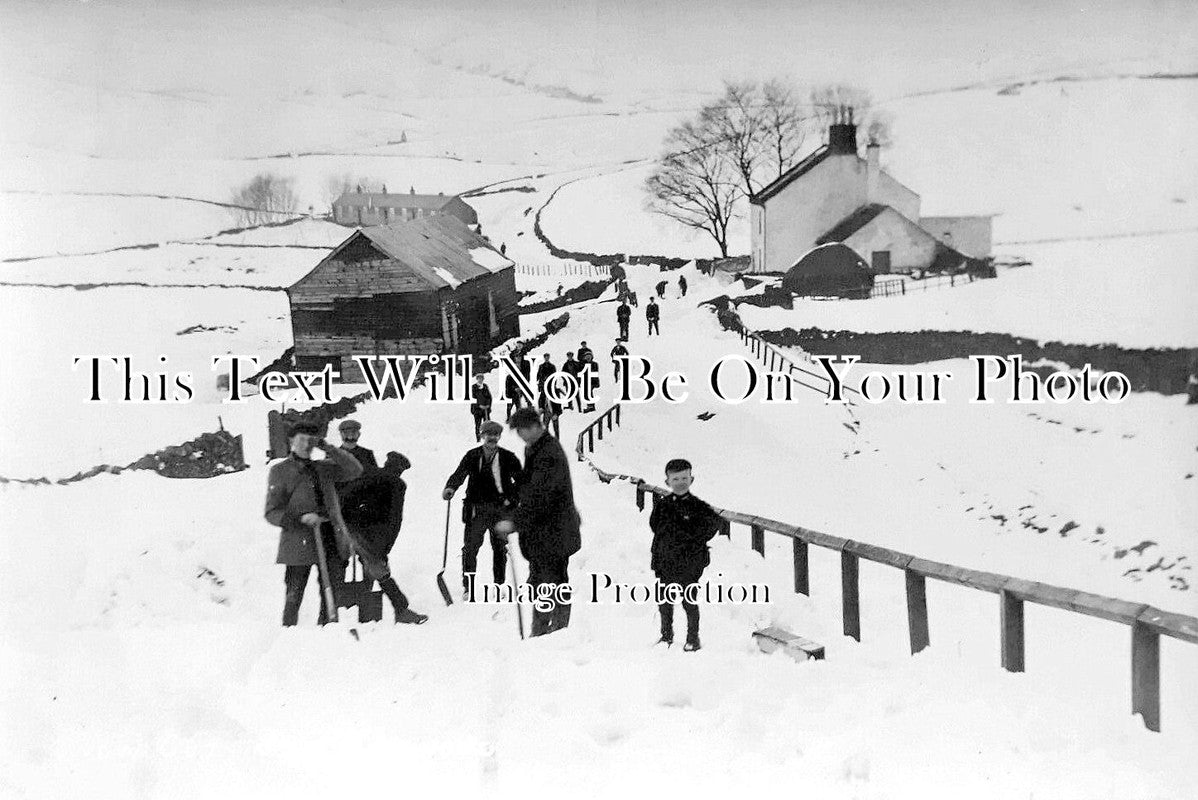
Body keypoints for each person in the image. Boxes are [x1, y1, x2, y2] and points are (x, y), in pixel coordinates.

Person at [265, 421, 363, 627]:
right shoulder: (280, 471)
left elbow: (355, 469)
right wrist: (300, 519)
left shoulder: (325, 468)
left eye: (310, 440)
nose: (306, 445)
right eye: (301, 439)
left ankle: (326, 633)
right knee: (294, 595)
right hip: (298, 540)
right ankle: (288, 636)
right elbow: (272, 512)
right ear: (291, 441)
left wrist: (327, 447)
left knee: (332, 592)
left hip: (330, 538)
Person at [496, 408, 581, 637]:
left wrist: (513, 523)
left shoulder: (548, 453)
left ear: (535, 426)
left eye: (522, 430)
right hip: (549, 532)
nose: (521, 436)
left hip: (553, 532)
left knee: (548, 582)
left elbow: (541, 497)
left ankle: (550, 632)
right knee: (546, 580)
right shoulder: (536, 448)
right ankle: (549, 630)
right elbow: (531, 486)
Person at [340, 452, 429, 624]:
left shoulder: (368, 473)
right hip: (373, 535)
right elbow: (395, 520)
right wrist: (385, 547)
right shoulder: (397, 485)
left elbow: (347, 494)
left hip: (351, 526)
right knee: (378, 568)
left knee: (369, 567)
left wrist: (346, 518)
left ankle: (362, 606)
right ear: (400, 470)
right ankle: (400, 609)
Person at [442, 421, 523, 597]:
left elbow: (522, 481)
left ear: (499, 437)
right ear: (482, 436)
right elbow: (459, 474)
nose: (492, 439)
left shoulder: (509, 457)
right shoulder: (472, 456)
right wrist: (450, 487)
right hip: (476, 511)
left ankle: (499, 585)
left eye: (495, 435)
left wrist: (513, 500)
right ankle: (468, 587)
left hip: (500, 511)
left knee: (499, 548)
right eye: (488, 435)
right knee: (470, 549)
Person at [649, 459, 722, 651]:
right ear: (667, 482)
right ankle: (666, 636)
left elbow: (714, 523)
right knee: (664, 600)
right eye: (675, 479)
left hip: (689, 564)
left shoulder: (698, 506)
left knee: (689, 601)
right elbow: (654, 525)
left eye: (684, 478)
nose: (680, 482)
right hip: (665, 563)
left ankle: (693, 639)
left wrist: (694, 539)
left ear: (692, 479)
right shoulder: (663, 505)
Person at [470, 373, 493, 438]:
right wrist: (479, 405)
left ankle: (487, 437)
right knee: (478, 425)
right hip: (477, 410)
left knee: (487, 424)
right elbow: (473, 398)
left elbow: (489, 397)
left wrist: (488, 405)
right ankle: (478, 438)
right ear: (477, 379)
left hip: (485, 409)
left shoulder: (485, 386)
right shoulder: (474, 387)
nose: (480, 380)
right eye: (479, 378)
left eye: (481, 378)